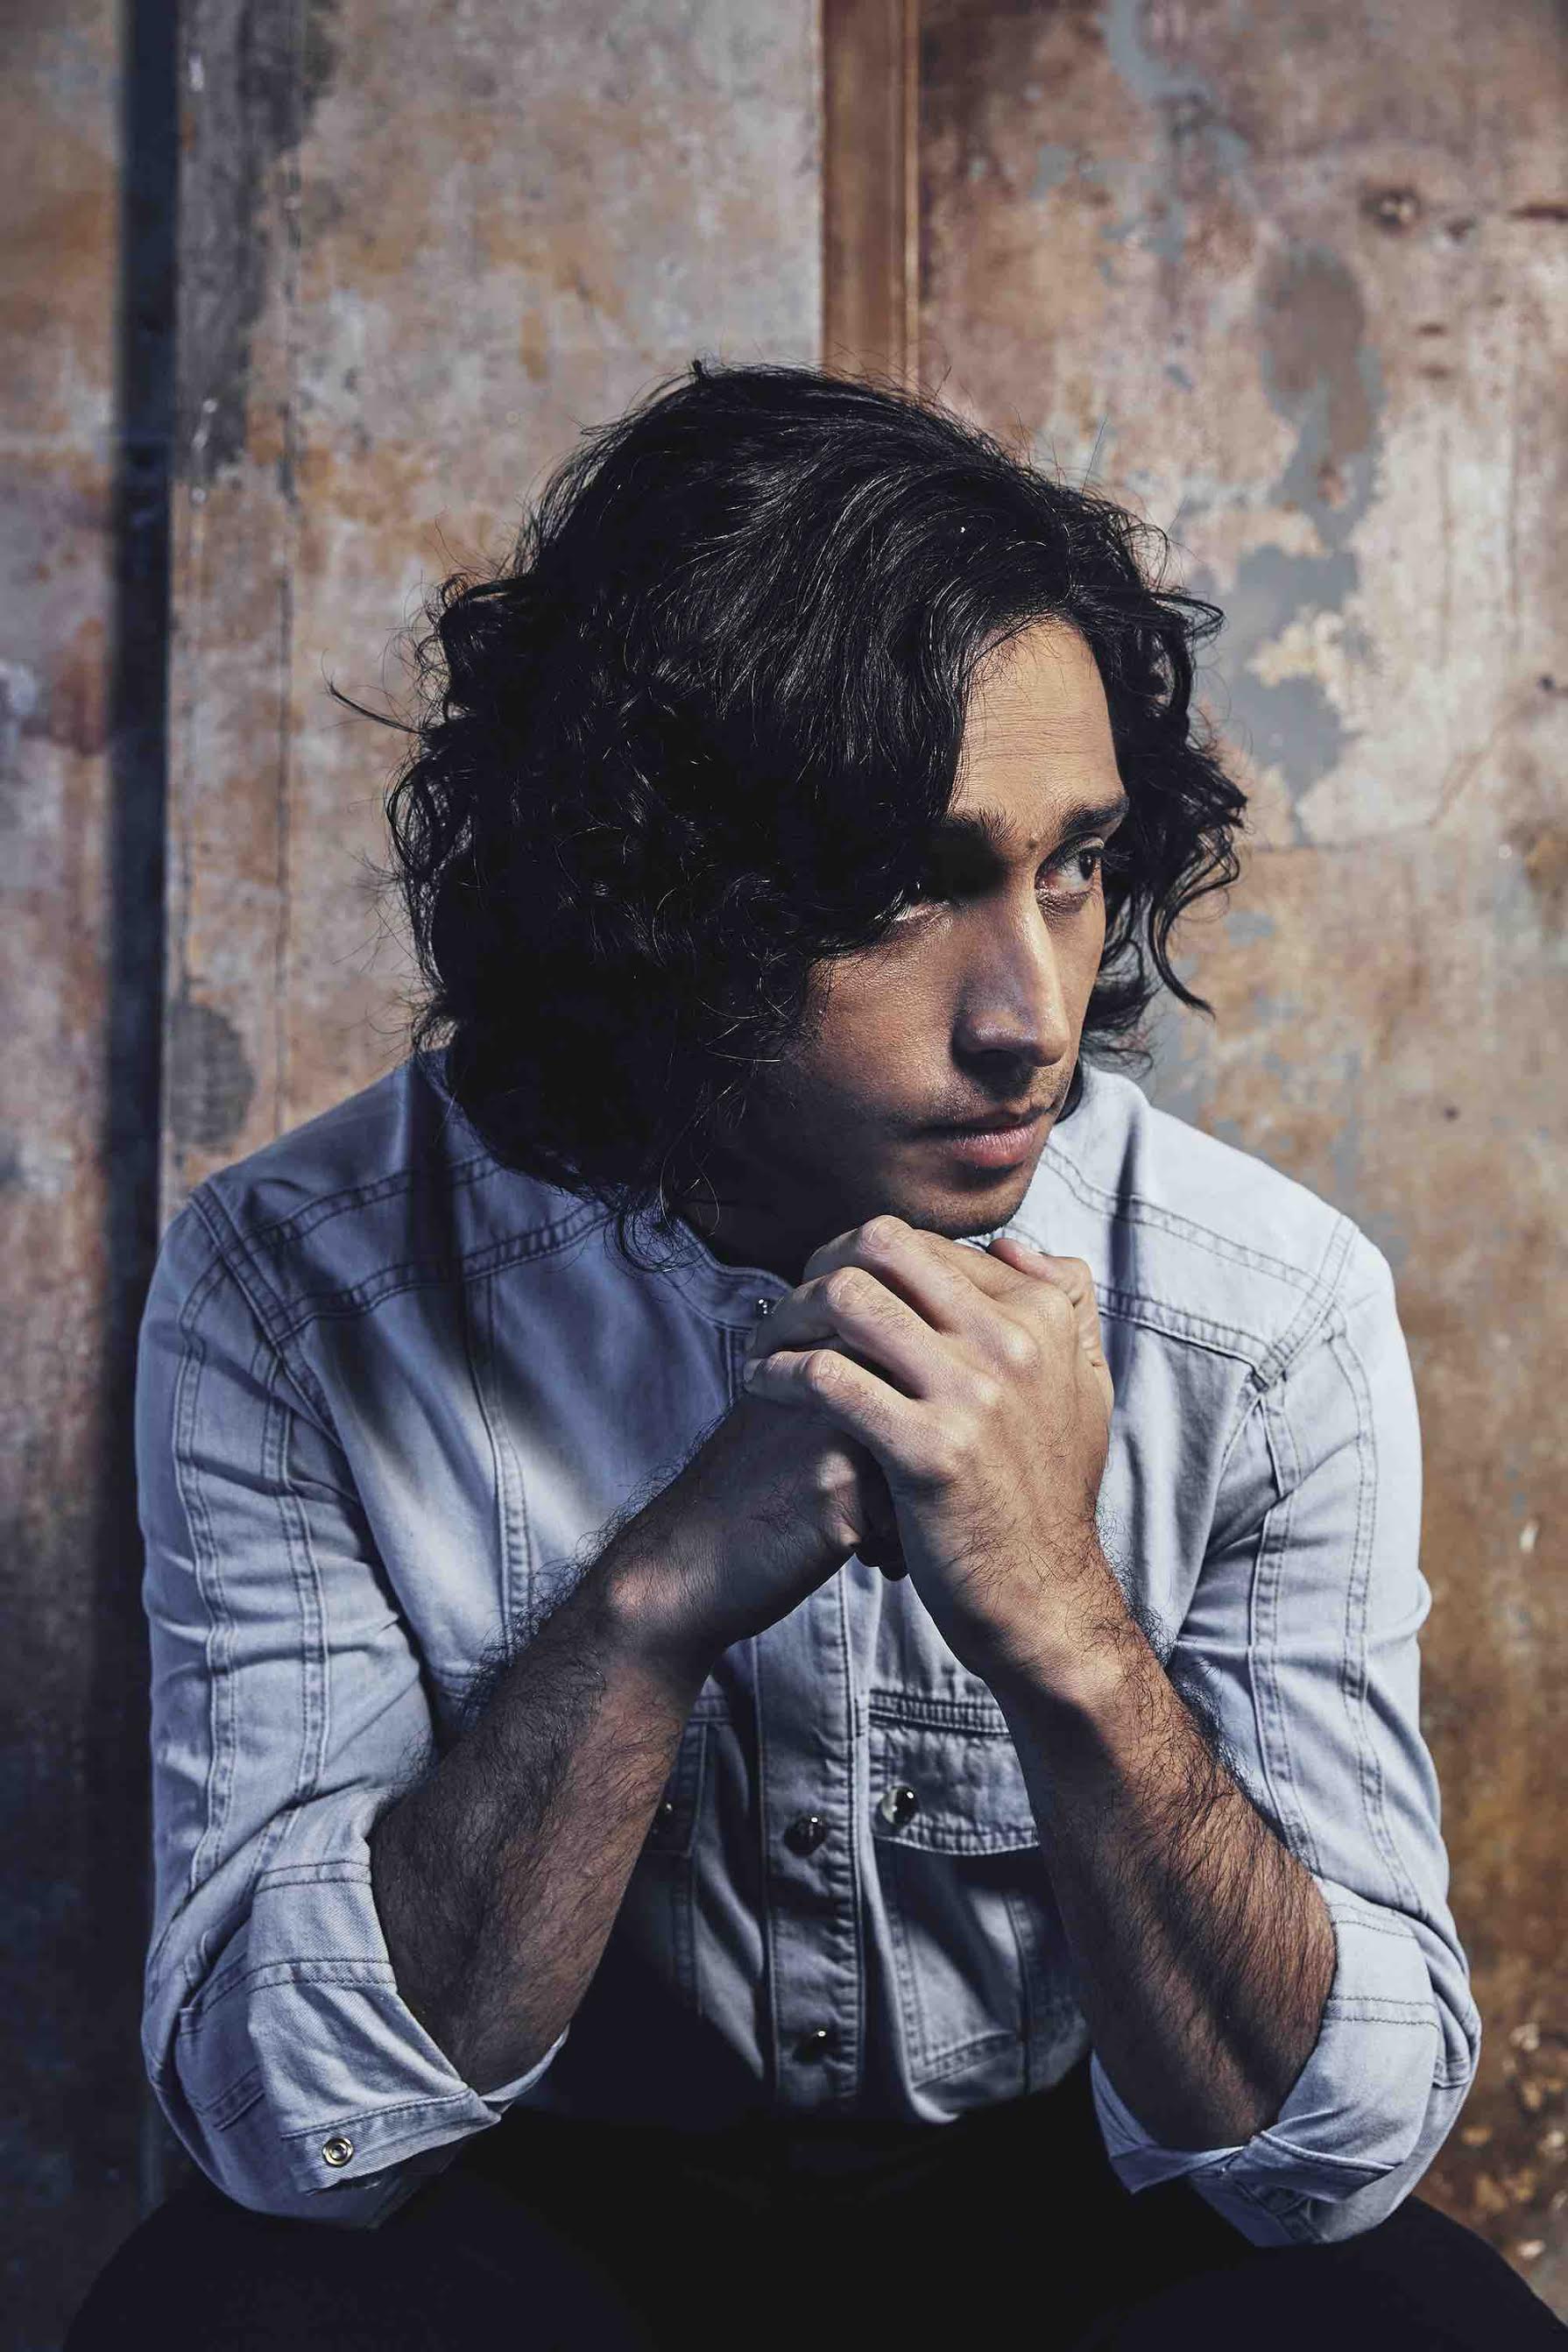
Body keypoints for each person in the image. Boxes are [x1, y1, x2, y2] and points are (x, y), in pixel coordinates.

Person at [67, 362, 1564, 2348]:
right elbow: (288, 2119)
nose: (1031, 1015)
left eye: (1070, 863)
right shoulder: (299, 1285)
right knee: (236, 2314)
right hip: (535, 2207)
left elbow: (1333, 2153)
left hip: (1067, 2208)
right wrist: (658, 1597)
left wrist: (1063, 1624)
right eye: (908, 885)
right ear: (648, 895)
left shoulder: (1264, 1307)